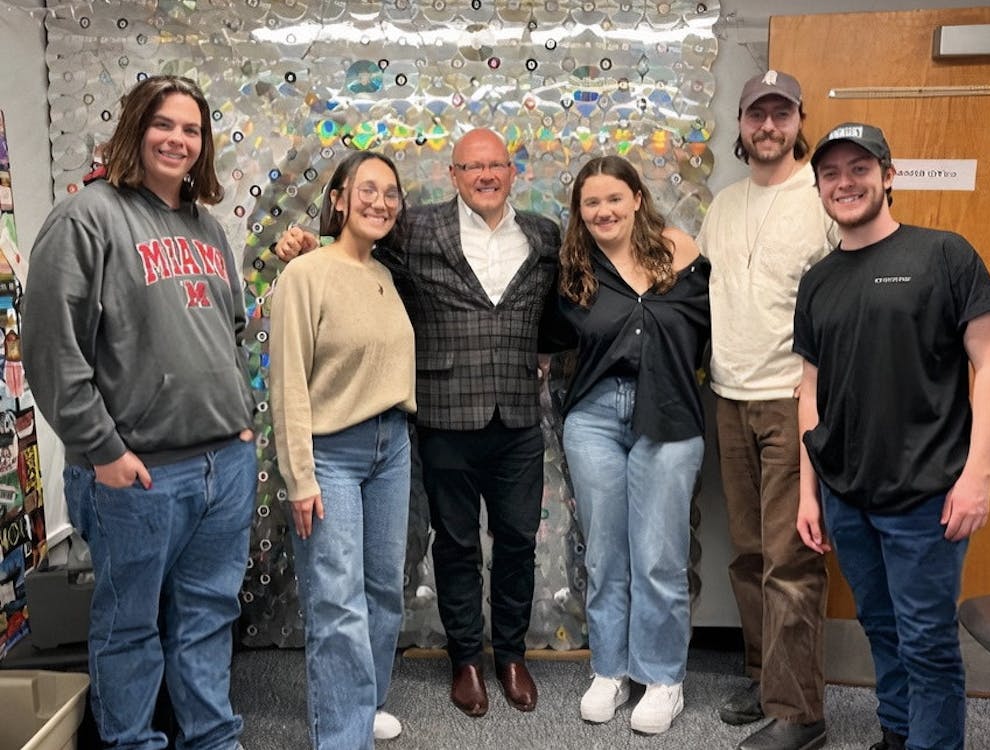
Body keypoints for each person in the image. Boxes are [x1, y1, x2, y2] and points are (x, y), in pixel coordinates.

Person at [276, 128, 561, 717]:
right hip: (443, 418)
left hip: (517, 420)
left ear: (513, 172)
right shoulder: (415, 225)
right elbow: (353, 248)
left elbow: (554, 315)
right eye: (471, 166)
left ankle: (510, 654)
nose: (485, 176)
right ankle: (464, 662)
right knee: (454, 547)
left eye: (496, 165)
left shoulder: (544, 235)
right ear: (452, 175)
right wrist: (306, 243)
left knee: (516, 544)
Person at [22, 75, 256, 750]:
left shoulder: (205, 226)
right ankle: (131, 743)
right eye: (164, 124)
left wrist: (241, 423)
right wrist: (102, 451)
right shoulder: (86, 216)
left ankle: (211, 737)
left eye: (192, 129)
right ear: (134, 127)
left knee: (208, 617)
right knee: (129, 626)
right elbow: (50, 348)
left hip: (223, 465)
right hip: (140, 474)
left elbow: (230, 329)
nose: (178, 140)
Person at [795, 122, 990, 750]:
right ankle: (898, 732)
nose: (844, 182)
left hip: (926, 495)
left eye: (859, 168)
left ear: (889, 176)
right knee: (881, 628)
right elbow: (810, 390)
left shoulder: (945, 254)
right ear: (821, 188)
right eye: (831, 173)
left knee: (927, 642)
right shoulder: (818, 279)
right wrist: (810, 493)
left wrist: (978, 476)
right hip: (846, 496)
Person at [695, 69, 834, 750]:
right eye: (758, 115)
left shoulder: (824, 199)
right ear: (743, 125)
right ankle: (765, 675)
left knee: (790, 558)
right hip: (730, 397)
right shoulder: (722, 204)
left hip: (792, 402)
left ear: (798, 120)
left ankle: (801, 711)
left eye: (781, 114)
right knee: (749, 554)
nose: (768, 126)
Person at [552, 155, 708, 735]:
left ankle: (663, 678)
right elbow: (548, 337)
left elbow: (713, 330)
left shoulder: (681, 252)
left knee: (660, 556)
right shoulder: (574, 267)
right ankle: (610, 670)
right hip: (594, 418)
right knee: (605, 555)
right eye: (591, 202)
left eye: (614, 198)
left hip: (667, 416)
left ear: (637, 198)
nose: (603, 211)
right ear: (580, 211)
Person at [270, 151, 416, 748]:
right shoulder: (304, 274)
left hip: (393, 446)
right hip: (330, 452)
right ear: (338, 198)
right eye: (367, 189)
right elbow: (288, 384)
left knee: (383, 590)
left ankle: (365, 702)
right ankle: (341, 736)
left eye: (391, 193)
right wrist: (300, 476)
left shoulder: (384, 275)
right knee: (338, 600)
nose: (379, 202)